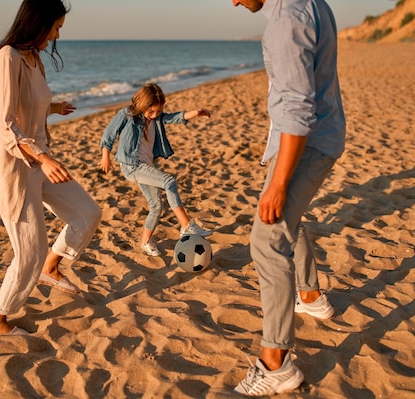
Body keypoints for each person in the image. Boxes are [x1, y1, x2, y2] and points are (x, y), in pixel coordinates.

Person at [231, 0, 346, 395]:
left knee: (266, 239)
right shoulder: (310, 4)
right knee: (287, 223)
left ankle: (275, 363)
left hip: (306, 143)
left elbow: (296, 108)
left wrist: (278, 182)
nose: (232, 1)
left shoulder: (286, 21)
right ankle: (310, 296)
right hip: (315, 139)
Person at [0, 0, 102, 336]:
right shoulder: (8, 57)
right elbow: (5, 125)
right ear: (37, 23)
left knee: (88, 213)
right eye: (56, 27)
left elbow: (28, 109)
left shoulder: (33, 59)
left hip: (39, 160)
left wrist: (53, 108)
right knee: (29, 252)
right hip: (14, 169)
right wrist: (44, 159)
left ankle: (53, 266)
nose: (57, 35)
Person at [98, 83, 212, 257]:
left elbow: (173, 117)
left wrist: (195, 113)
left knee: (157, 205)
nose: (154, 115)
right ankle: (186, 226)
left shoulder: (156, 117)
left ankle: (145, 242)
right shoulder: (127, 114)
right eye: (151, 112)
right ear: (142, 105)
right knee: (169, 181)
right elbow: (109, 135)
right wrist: (105, 156)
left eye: (158, 112)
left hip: (146, 166)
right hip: (132, 165)